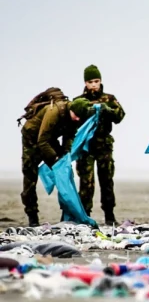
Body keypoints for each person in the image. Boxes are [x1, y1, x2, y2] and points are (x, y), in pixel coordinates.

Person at [19, 96, 89, 226]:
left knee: (65, 173)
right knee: (30, 179)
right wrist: (55, 159)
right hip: (32, 139)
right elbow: (42, 141)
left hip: (49, 139)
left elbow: (69, 137)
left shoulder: (76, 116)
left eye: (81, 118)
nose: (78, 119)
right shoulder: (54, 112)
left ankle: (68, 215)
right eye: (77, 116)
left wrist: (65, 156)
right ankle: (32, 218)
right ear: (71, 109)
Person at [74, 65, 125, 224]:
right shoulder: (79, 101)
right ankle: (85, 216)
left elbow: (120, 116)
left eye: (96, 81)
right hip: (86, 148)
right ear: (85, 83)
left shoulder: (109, 99)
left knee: (107, 181)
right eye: (90, 81)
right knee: (86, 184)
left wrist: (107, 110)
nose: (94, 85)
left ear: (101, 81)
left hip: (104, 146)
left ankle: (109, 216)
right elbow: (71, 123)